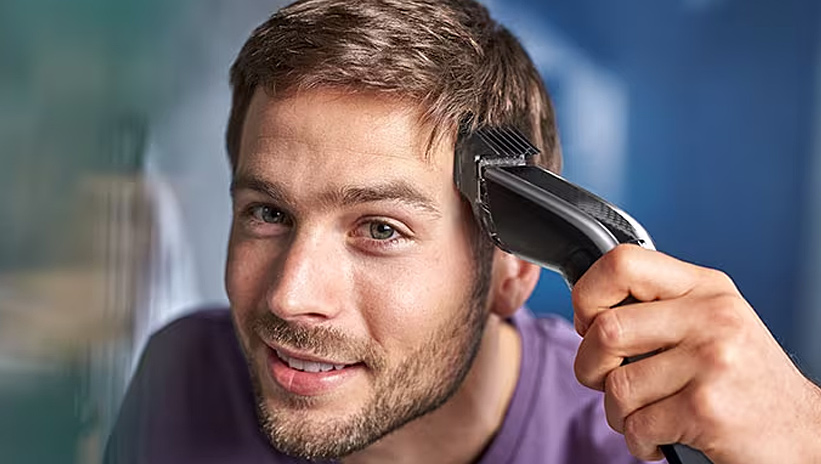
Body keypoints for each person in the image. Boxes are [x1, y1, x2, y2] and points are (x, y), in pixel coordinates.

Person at [105, 0, 821, 463]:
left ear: (511, 269)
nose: (290, 299)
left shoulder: (630, 441)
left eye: (379, 229)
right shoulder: (182, 376)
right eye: (268, 213)